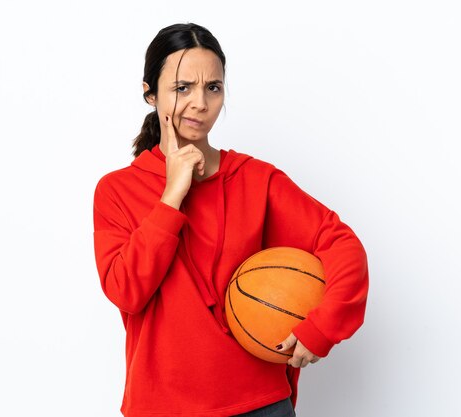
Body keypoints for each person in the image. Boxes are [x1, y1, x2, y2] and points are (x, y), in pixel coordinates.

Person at [93, 22, 369, 417]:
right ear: (150, 93)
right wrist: (172, 196)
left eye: (213, 88)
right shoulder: (117, 190)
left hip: (260, 404)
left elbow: (340, 242)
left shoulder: (256, 180)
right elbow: (125, 291)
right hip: (162, 407)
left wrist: (323, 327)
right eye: (181, 88)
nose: (200, 104)